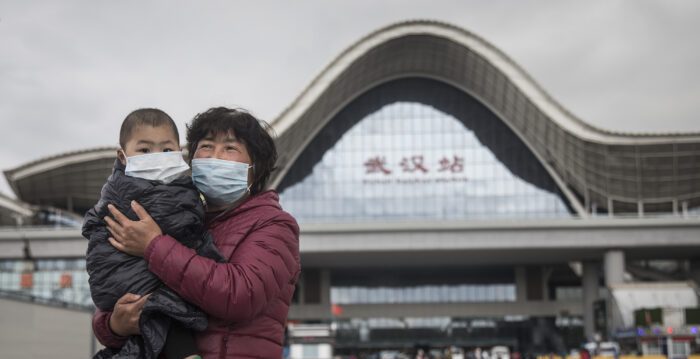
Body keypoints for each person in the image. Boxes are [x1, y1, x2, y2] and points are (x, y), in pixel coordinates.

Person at [92, 107, 301, 358]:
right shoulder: (179, 215)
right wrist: (114, 324)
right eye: (207, 146)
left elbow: (240, 294)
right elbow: (120, 287)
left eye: (230, 148)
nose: (215, 156)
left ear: (254, 169)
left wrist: (153, 246)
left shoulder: (274, 225)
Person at [84, 108, 223, 359]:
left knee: (161, 315)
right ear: (122, 156)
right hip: (124, 277)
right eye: (145, 150)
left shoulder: (182, 187)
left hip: (155, 275)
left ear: (179, 151)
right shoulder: (120, 192)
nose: (157, 157)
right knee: (163, 308)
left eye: (167, 150)